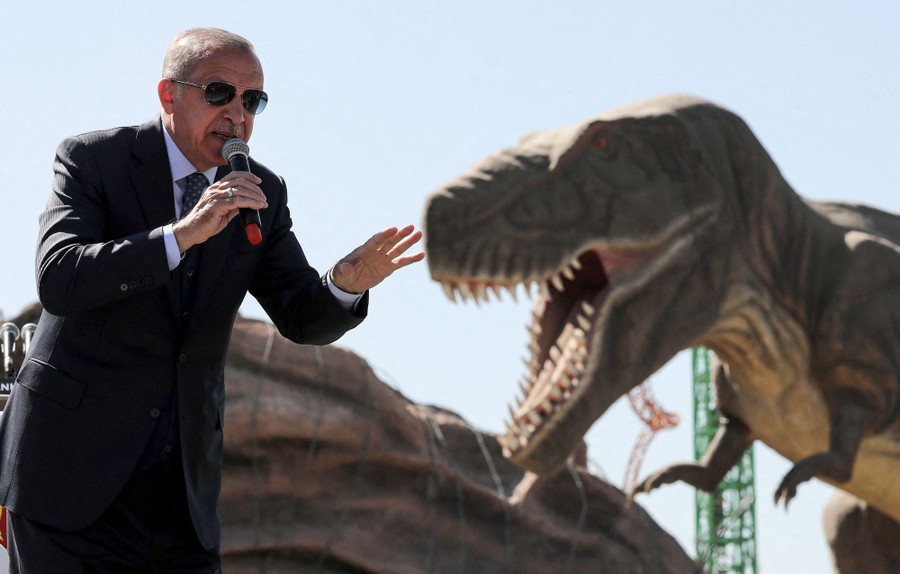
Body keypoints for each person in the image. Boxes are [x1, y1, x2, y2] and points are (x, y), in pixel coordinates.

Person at [0, 27, 424, 573]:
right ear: (168, 94)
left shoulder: (260, 192)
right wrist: (182, 235)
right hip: (68, 483)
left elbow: (301, 317)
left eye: (253, 100)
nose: (237, 114)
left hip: (179, 501)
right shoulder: (95, 159)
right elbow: (60, 278)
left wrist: (346, 284)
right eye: (219, 92)